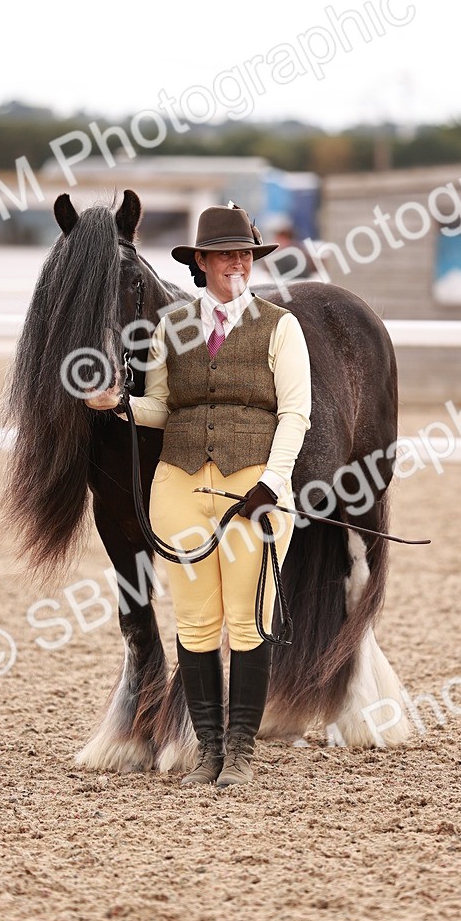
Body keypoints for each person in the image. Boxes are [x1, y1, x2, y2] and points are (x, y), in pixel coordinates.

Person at [86, 204, 311, 788]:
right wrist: (121, 405)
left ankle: (239, 751)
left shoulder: (281, 327)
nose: (237, 263)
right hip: (180, 486)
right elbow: (163, 407)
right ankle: (207, 748)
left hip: (252, 487)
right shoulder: (171, 328)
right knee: (196, 621)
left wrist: (272, 482)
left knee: (249, 617)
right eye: (225, 254)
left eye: (245, 254)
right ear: (203, 263)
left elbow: (295, 413)